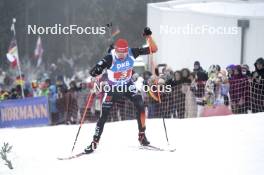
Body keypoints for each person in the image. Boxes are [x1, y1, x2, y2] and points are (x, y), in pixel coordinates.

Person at [84, 27, 158, 154]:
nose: (122, 56)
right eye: (120, 54)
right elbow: (93, 70)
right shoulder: (109, 58)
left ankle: (142, 135)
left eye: (124, 53)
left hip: (128, 85)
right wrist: (96, 72)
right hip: (113, 88)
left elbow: (154, 49)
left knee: (140, 105)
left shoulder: (132, 52)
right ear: (116, 51)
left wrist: (148, 37)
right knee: (104, 115)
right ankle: (94, 142)